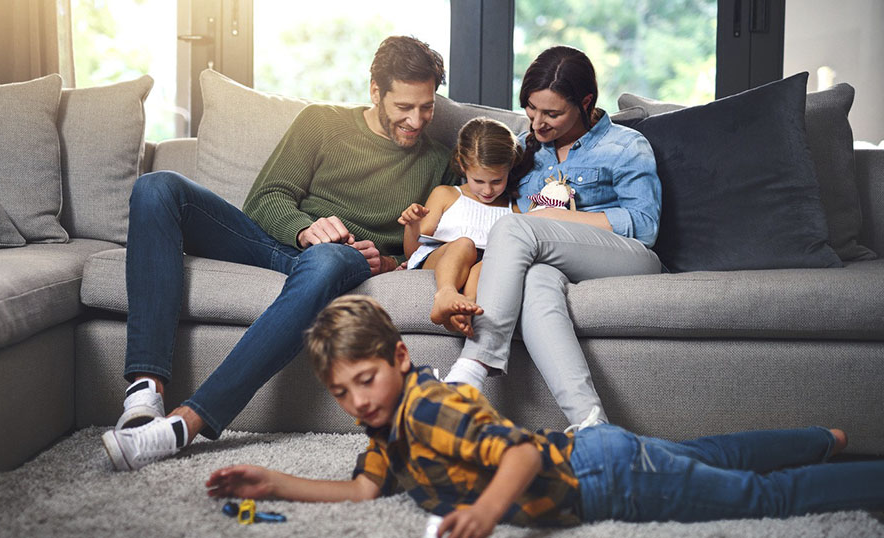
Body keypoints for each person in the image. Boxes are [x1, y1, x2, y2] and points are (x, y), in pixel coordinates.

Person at [207, 295, 882, 538]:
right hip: (599, 453)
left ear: (400, 357)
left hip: (605, 483)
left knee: (761, 500)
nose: (358, 401)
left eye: (366, 380)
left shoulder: (434, 408)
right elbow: (362, 489)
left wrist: (488, 512)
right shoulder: (382, 425)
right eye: (343, 393)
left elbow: (520, 457)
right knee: (706, 457)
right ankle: (820, 438)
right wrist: (274, 482)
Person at [102, 36, 457, 471]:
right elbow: (266, 198)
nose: (416, 120)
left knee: (329, 259)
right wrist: (305, 229)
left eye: (427, 107)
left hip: (340, 261)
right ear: (375, 91)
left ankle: (185, 424)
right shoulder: (321, 123)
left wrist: (388, 262)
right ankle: (144, 394)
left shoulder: (440, 161)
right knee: (158, 187)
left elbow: (439, 244)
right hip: (275, 242)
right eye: (404, 107)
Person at [441, 46, 663, 427]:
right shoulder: (526, 149)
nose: (537, 123)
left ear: (586, 102)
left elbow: (644, 225)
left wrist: (554, 218)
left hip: (627, 256)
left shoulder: (625, 145)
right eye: (531, 108)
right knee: (537, 279)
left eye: (552, 113)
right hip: (547, 260)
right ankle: (594, 428)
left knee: (515, 227)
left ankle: (474, 366)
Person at [397, 117, 521, 331]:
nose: (488, 191)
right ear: (463, 166)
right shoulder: (446, 195)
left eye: (497, 181)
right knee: (465, 244)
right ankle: (446, 294)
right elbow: (413, 252)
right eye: (479, 181)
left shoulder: (514, 209)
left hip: (485, 264)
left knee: (491, 261)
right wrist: (412, 225)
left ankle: (466, 307)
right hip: (443, 257)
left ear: (509, 168)